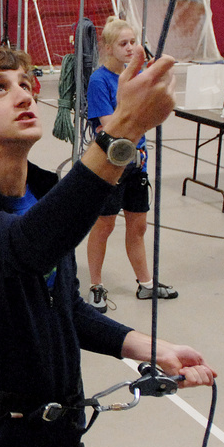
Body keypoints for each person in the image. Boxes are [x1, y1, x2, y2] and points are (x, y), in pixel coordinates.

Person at [0, 45, 216, 447]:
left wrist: (145, 346)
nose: (24, 95)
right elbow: (21, 249)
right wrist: (124, 128)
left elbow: (64, 306)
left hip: (58, 443)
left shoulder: (44, 195)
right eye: (0, 88)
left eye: (26, 82)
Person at [86, 17, 178, 313]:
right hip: (112, 166)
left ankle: (146, 284)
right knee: (104, 225)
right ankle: (96, 285)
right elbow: (107, 126)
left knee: (138, 226)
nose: (129, 48)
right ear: (109, 47)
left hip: (137, 166)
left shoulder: (133, 75)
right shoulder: (100, 81)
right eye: (123, 44)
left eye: (132, 42)